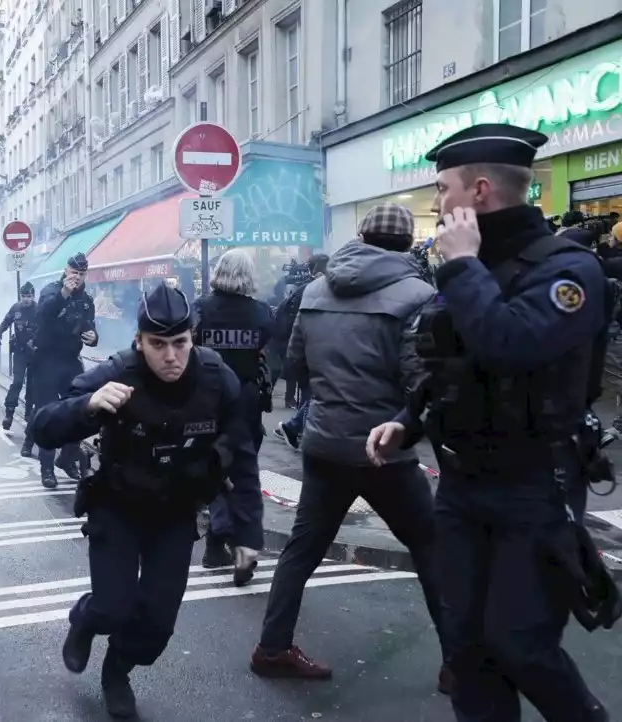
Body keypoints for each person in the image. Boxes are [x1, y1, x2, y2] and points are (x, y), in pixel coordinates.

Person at [367, 123, 612, 721]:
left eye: (442, 188)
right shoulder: (466, 265)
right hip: (462, 485)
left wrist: (461, 267)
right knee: (468, 647)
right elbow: (451, 357)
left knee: (520, 644)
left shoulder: (566, 270)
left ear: (479, 192)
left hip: (534, 485)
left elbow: (510, 344)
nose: (435, 204)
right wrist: (410, 419)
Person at [29, 282, 263, 719]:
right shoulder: (118, 372)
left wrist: (247, 533)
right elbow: (43, 427)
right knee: (112, 606)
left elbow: (242, 455)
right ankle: (85, 618)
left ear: (193, 337)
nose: (171, 356)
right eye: (158, 344)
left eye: (180, 342)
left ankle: (117, 669)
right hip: (117, 506)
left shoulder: (217, 379)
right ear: (139, 341)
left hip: (174, 513)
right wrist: (88, 406)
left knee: (157, 626)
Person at [250, 202, 449, 692]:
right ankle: (461, 661)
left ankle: (272, 647)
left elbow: (295, 365)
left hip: (324, 441)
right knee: (431, 551)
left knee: (302, 549)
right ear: (407, 244)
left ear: (360, 235)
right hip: (385, 448)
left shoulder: (317, 289)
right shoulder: (420, 294)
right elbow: (420, 379)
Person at [191, 248, 272, 579]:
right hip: (246, 401)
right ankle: (240, 545)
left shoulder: (200, 309)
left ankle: (217, 540)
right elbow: (270, 353)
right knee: (244, 473)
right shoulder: (262, 313)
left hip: (207, 399)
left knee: (215, 469)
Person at [29, 253, 98, 489]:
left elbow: (90, 326)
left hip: (70, 360)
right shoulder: (51, 290)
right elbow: (42, 314)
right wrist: (64, 294)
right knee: (48, 413)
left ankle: (67, 458)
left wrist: (93, 337)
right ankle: (46, 470)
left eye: (81, 274)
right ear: (66, 271)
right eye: (73, 273)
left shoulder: (87, 300)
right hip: (47, 359)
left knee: (82, 410)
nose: (76, 278)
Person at [272, 254, 329, 450]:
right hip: (311, 350)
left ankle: (297, 427)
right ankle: (297, 428)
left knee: (311, 394)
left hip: (303, 349)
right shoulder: (315, 290)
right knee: (313, 395)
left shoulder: (306, 288)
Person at [0, 281, 38, 432]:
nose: (26, 299)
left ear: (33, 296)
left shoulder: (38, 309)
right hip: (19, 351)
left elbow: (44, 329)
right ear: (21, 296)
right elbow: (6, 321)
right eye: (24, 296)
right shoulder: (16, 308)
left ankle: (28, 413)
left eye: (29, 296)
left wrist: (34, 342)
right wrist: (0, 332)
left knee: (32, 385)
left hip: (34, 353)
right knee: (17, 382)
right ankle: (9, 413)